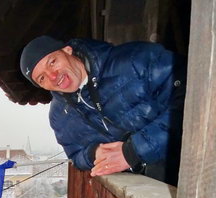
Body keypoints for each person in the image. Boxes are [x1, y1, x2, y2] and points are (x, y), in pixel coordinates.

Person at [20, 35, 186, 186]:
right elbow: (75, 154)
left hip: (195, 165)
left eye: (52, 62)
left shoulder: (135, 59)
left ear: (67, 50)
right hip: (150, 190)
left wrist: (134, 151)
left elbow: (190, 100)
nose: (53, 76)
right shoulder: (59, 117)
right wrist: (93, 153)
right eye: (42, 78)